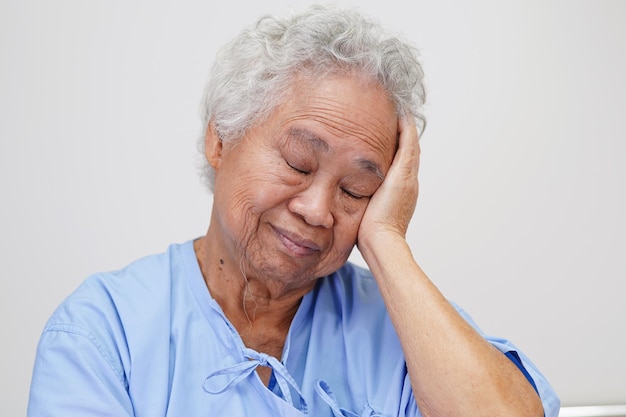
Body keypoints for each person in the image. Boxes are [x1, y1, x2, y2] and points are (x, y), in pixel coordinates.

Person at [27, 5, 559, 417]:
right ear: (220, 139)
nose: (317, 210)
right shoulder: (102, 332)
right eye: (299, 163)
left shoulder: (402, 331)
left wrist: (387, 243)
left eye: (355, 190)